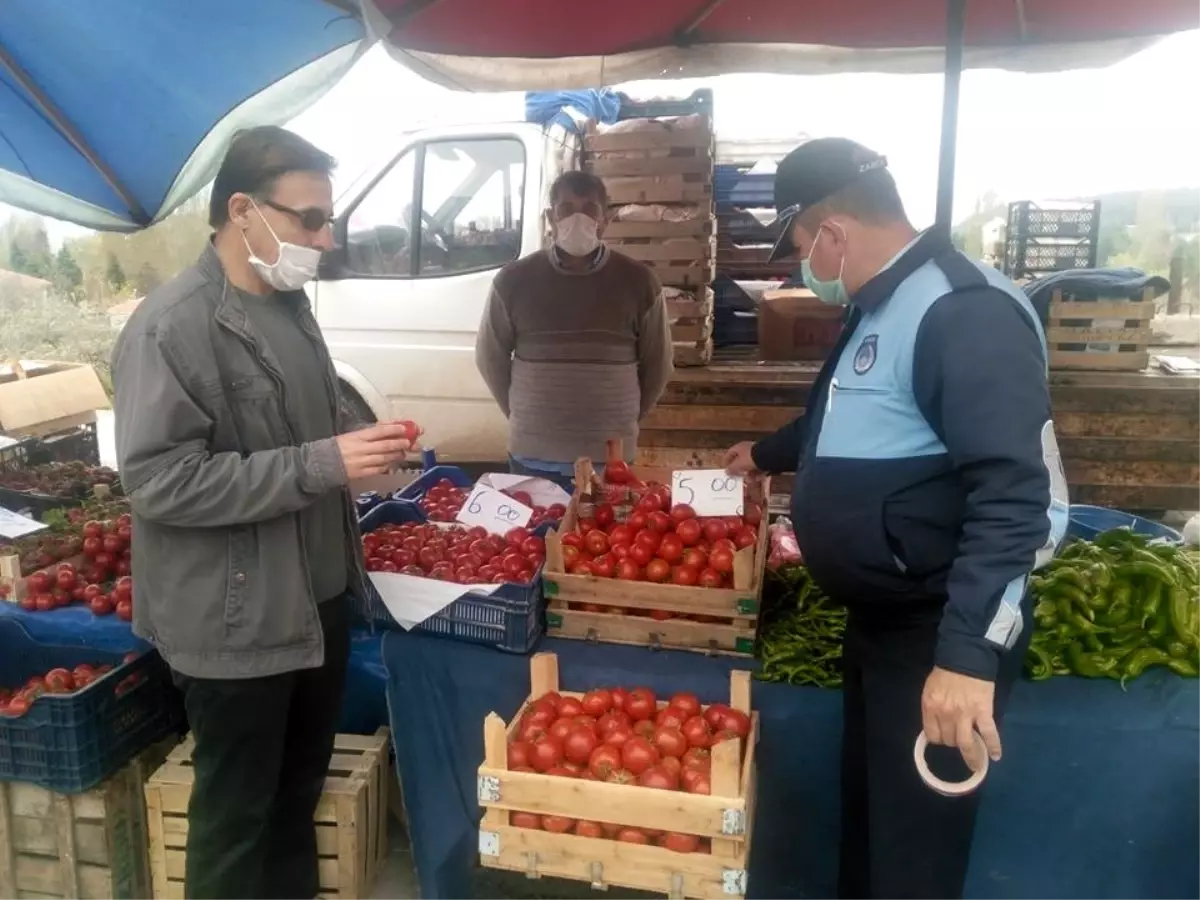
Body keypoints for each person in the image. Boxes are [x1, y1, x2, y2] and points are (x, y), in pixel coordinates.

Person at [724, 138, 1068, 900]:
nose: (800, 268)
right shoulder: (882, 301)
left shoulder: (962, 309)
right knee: (873, 838)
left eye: (803, 246)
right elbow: (853, 421)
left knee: (912, 862)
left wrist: (967, 657)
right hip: (882, 625)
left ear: (836, 234)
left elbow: (1020, 500)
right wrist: (769, 451)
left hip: (935, 637)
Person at [111, 126, 415, 900]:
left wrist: (356, 448)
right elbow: (160, 483)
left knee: (293, 800)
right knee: (236, 815)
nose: (327, 236)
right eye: (310, 219)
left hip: (314, 604)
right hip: (234, 621)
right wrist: (324, 462)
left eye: (328, 219)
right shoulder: (170, 327)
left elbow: (295, 444)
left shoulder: (290, 304)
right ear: (241, 210)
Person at [474, 170, 673, 490]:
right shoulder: (513, 280)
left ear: (604, 219)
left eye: (589, 208)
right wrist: (523, 415)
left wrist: (624, 419)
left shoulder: (639, 282)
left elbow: (658, 364)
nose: (577, 218)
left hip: (609, 457)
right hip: (533, 454)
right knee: (536, 539)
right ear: (551, 218)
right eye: (566, 208)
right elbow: (489, 358)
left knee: (607, 538)